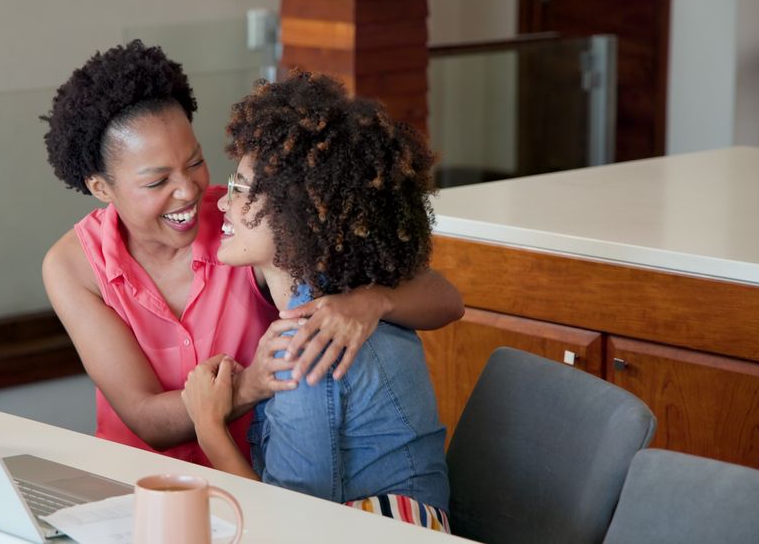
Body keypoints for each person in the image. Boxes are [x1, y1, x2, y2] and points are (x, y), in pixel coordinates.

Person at [40, 41, 463, 466]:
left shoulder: (249, 223)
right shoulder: (73, 266)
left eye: (194, 162)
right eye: (156, 182)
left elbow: (444, 297)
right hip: (138, 487)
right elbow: (146, 419)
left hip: (259, 488)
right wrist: (251, 386)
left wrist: (372, 300)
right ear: (101, 188)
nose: (188, 191)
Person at [182, 72, 450, 531]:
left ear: (298, 217)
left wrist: (209, 427)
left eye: (242, 190)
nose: (223, 205)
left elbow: (288, 528)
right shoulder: (354, 293)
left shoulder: (310, 343)